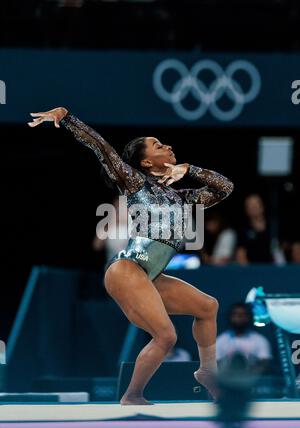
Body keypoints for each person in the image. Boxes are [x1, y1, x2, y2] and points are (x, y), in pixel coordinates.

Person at [28, 107, 234, 405]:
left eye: (165, 143)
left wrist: (187, 168)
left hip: (149, 274)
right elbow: (103, 149)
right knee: (166, 337)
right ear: (146, 161)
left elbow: (225, 187)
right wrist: (67, 118)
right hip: (127, 269)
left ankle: (207, 371)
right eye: (158, 145)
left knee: (207, 306)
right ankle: (132, 395)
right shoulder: (135, 183)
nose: (168, 146)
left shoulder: (183, 197)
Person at [216, 303, 272, 373]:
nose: (239, 317)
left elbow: (265, 364)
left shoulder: (260, 340)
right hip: (225, 381)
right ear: (230, 317)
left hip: (253, 381)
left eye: (242, 314)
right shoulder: (220, 340)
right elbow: (214, 365)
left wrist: (249, 372)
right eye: (235, 314)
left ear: (249, 317)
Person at [235, 194, 273, 264]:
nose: (252, 208)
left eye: (255, 205)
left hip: (274, 270)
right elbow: (240, 254)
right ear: (246, 209)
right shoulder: (243, 230)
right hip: (252, 270)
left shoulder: (273, 226)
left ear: (262, 206)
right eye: (249, 206)